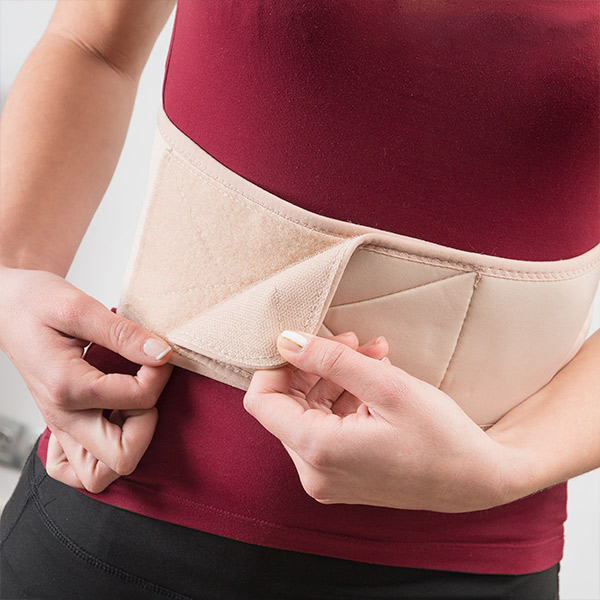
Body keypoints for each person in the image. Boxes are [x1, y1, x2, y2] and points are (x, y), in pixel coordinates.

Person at [1, 1, 598, 599]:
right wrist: (10, 278)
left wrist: (508, 466)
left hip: (468, 561)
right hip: (121, 492)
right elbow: (93, 45)